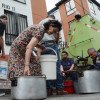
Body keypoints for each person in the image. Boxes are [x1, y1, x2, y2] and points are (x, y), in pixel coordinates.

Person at [39, 15, 64, 95]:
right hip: (52, 44)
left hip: (42, 46)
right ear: (53, 18)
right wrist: (56, 44)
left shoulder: (41, 22)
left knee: (46, 68)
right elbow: (57, 35)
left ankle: (48, 90)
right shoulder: (54, 23)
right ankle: (59, 89)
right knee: (56, 67)